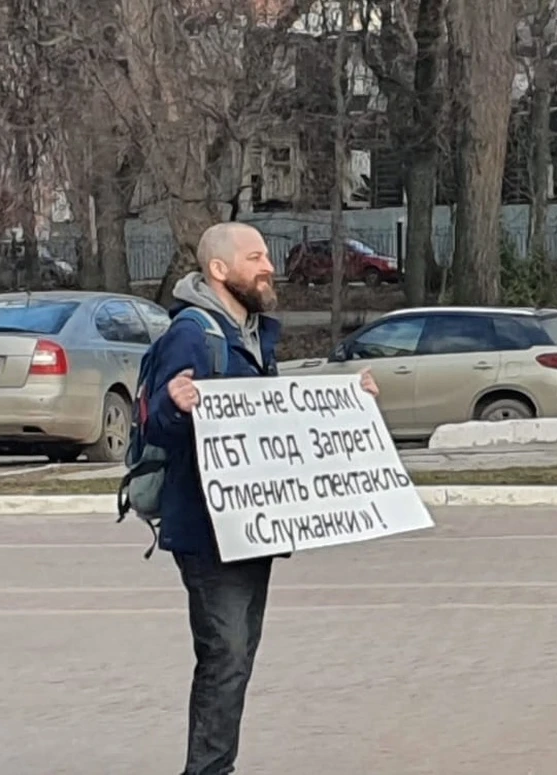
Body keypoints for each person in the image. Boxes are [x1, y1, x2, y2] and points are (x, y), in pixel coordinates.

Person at [143, 222, 378, 775]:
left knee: (237, 657)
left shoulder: (248, 333)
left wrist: (350, 397)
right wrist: (176, 406)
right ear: (220, 270)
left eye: (266, 255)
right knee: (225, 656)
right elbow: (157, 425)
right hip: (207, 529)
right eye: (256, 257)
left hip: (249, 526)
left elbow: (276, 414)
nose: (269, 265)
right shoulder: (193, 335)